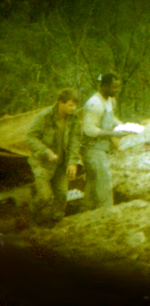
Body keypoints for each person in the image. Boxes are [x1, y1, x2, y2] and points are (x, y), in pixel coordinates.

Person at [27, 88, 81, 226]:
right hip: (42, 163)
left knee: (62, 195)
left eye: (75, 105)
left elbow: (75, 140)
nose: (73, 108)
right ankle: (31, 215)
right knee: (45, 197)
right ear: (60, 102)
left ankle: (56, 223)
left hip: (62, 164)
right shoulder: (44, 117)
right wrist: (46, 151)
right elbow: (31, 137)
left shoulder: (73, 118)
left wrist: (73, 162)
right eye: (70, 105)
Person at [81, 73, 127, 211]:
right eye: (114, 87)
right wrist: (112, 133)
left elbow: (110, 119)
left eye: (118, 87)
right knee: (104, 182)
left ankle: (86, 211)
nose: (116, 90)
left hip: (101, 147)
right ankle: (106, 212)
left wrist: (124, 126)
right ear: (104, 86)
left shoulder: (110, 101)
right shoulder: (94, 103)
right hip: (92, 148)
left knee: (92, 182)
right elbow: (88, 129)